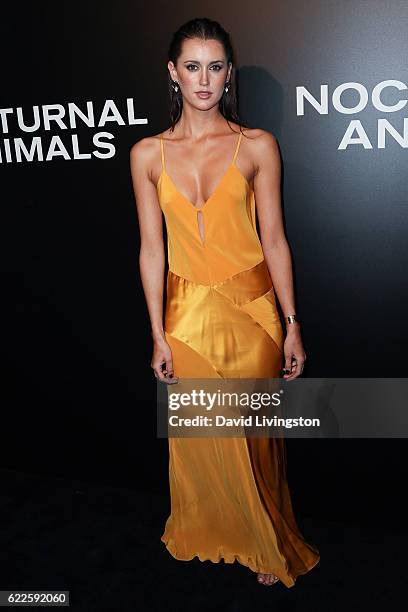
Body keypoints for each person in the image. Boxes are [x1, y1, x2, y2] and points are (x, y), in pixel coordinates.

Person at [130, 17, 320, 587]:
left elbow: (277, 240)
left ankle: (266, 539)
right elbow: (150, 252)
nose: (204, 79)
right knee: (201, 441)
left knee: (257, 440)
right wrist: (158, 333)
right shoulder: (146, 155)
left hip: (253, 313)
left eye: (215, 67)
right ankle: (214, 529)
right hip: (185, 318)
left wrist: (292, 324)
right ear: (173, 73)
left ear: (228, 72)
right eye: (192, 67)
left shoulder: (257, 145)